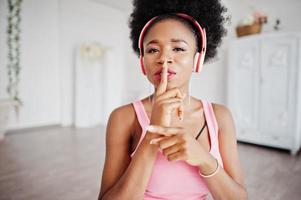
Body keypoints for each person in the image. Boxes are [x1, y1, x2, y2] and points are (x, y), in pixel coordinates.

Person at [98, 0, 248, 199]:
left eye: (178, 48)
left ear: (198, 58)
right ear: (143, 63)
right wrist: (152, 134)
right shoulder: (123, 118)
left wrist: (205, 159)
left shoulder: (220, 117)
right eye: (152, 50)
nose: (164, 58)